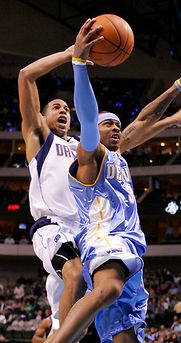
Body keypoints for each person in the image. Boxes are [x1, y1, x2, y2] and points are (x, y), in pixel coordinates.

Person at [45, 18, 181, 343]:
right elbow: (89, 120)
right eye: (109, 124)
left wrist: (178, 87)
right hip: (104, 239)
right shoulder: (90, 156)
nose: (116, 127)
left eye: (119, 124)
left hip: (129, 246)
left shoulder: (118, 154)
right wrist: (78, 64)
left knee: (126, 335)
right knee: (109, 287)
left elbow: (144, 119)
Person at [18, 44, 94, 325]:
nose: (64, 110)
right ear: (43, 116)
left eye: (67, 109)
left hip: (83, 232)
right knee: (74, 274)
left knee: (80, 320)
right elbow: (26, 75)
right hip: (52, 228)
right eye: (56, 107)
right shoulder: (40, 138)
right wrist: (71, 54)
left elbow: (124, 139)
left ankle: (57, 325)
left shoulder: (81, 147)